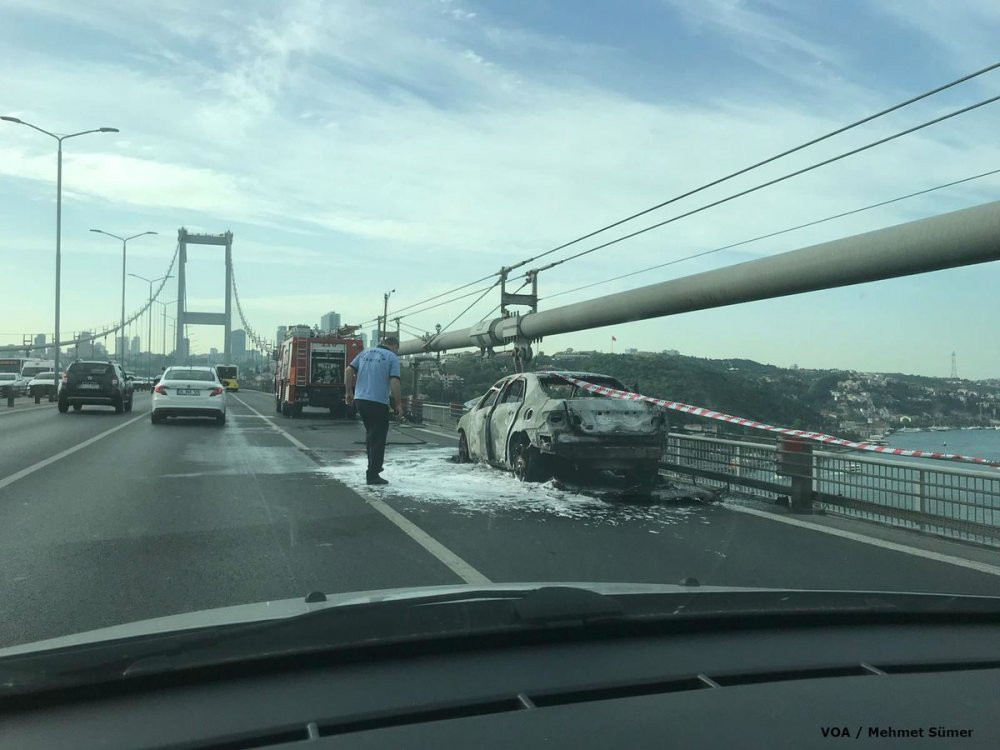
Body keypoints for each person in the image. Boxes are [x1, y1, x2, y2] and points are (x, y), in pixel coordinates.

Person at [345, 335, 402, 485]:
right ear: (395, 346)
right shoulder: (392, 357)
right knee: (378, 437)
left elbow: (348, 371)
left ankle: (372, 468)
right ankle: (373, 474)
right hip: (377, 402)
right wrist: (398, 404)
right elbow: (395, 381)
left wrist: (348, 392)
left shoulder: (364, 353)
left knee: (371, 434)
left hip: (360, 400)